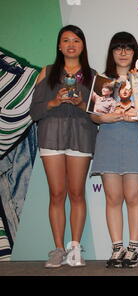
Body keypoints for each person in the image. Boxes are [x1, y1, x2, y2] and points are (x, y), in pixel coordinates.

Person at [30, 25, 97, 268]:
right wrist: (54, 101)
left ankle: (75, 248)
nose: (71, 44)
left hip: (81, 137)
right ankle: (58, 249)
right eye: (66, 40)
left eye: (76, 40)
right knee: (57, 194)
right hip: (52, 137)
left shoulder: (92, 76)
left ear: (82, 45)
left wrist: (81, 104)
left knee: (76, 193)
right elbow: (34, 112)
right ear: (59, 46)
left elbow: (98, 114)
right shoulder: (46, 72)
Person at [90, 32, 138, 268]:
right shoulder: (102, 80)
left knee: (133, 196)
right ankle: (117, 247)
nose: (123, 53)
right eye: (118, 48)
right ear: (112, 53)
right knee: (113, 198)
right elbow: (94, 116)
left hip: (134, 140)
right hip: (108, 140)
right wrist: (107, 118)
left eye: (128, 48)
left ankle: (133, 248)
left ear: (135, 52)